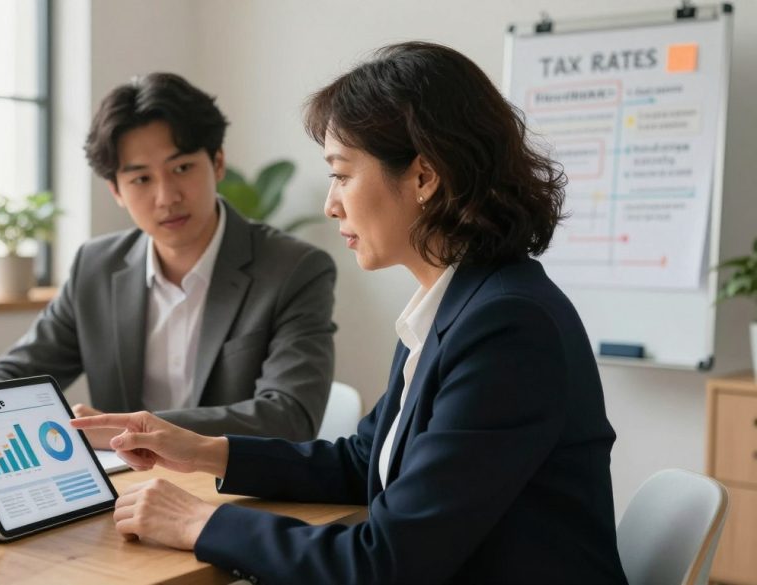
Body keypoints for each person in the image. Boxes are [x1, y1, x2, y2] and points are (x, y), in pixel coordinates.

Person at [71, 42, 628, 584]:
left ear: (423, 177)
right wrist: (203, 451)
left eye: (341, 173)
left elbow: (386, 561)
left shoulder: (505, 328)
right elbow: (367, 460)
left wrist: (199, 521)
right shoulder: (460, 302)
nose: (329, 203)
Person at [0, 72, 337, 449]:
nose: (166, 197)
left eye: (183, 168)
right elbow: (23, 368)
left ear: (217, 163)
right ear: (116, 190)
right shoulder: (97, 265)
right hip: (123, 493)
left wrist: (130, 429)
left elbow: (289, 418)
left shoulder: (294, 269)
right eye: (141, 179)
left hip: (231, 493)